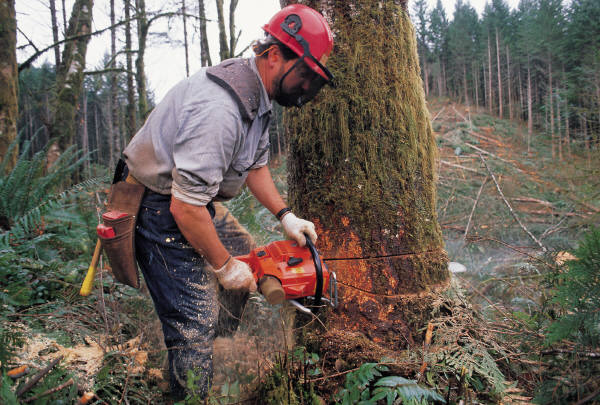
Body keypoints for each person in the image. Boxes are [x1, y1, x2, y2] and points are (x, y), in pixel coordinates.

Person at [120, 4, 335, 399]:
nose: (306, 86)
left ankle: (214, 344)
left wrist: (285, 215)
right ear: (274, 56)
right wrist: (221, 265)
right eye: (303, 73)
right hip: (159, 206)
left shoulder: (259, 95)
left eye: (312, 78)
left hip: (193, 202)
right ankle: (188, 382)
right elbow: (183, 209)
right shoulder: (221, 109)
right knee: (194, 322)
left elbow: (254, 166)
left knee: (251, 266)